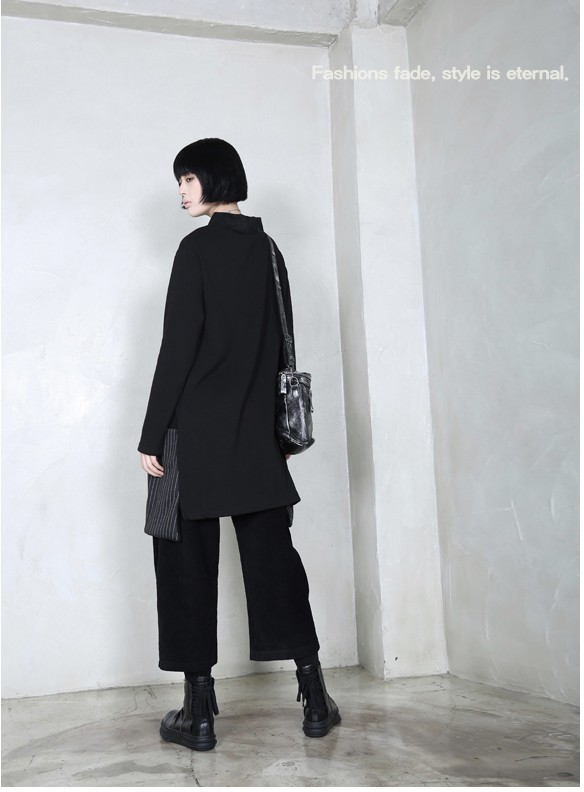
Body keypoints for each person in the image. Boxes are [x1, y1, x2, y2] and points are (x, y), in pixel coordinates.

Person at [137, 137, 340, 752]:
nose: (181, 191)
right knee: (276, 562)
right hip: (254, 435)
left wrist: (150, 435)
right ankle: (314, 698)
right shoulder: (270, 251)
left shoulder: (194, 250)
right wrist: (280, 431)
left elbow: (177, 349)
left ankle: (198, 713)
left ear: (215, 178)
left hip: (188, 436)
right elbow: (284, 345)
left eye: (187, 178)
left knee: (183, 565)